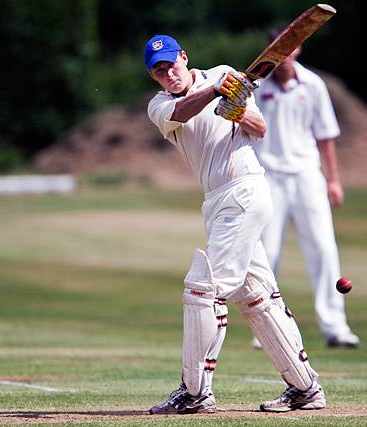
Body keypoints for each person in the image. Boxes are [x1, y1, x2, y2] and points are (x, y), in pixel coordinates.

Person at [144, 34, 326, 414]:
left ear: (184, 57)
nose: (168, 74)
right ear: (155, 77)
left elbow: (259, 129)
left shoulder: (224, 74)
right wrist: (216, 94)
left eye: (171, 64)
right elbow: (183, 113)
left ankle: (195, 393)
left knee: (204, 289)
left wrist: (237, 109)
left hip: (244, 191)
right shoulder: (161, 105)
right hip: (217, 202)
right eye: (159, 71)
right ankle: (305, 388)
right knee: (256, 294)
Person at [251, 24, 359, 349]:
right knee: (267, 253)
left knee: (323, 249)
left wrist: (334, 179)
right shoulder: (255, 86)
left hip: (307, 175)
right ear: (271, 49)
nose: (285, 53)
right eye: (279, 47)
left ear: (298, 49)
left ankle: (335, 326)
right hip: (268, 176)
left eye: (291, 46)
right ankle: (267, 328)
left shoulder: (313, 85)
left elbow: (325, 135)